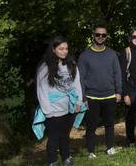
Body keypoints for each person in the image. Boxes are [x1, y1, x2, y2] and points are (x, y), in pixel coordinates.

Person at [36, 36, 84, 166]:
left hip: (69, 108)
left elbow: (76, 84)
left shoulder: (71, 65)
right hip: (53, 110)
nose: (64, 51)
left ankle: (66, 157)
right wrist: (48, 112)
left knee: (65, 135)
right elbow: (42, 91)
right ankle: (52, 161)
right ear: (53, 49)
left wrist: (79, 102)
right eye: (61, 48)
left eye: (66, 48)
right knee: (54, 138)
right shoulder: (45, 68)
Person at [78, 25, 122, 158]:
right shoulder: (85, 55)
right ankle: (91, 151)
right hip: (92, 96)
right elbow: (80, 78)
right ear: (93, 35)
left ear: (106, 36)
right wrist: (83, 97)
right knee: (91, 126)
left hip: (109, 95)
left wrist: (118, 91)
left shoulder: (112, 54)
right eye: (98, 34)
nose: (100, 37)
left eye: (103, 35)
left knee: (109, 124)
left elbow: (117, 73)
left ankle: (110, 148)